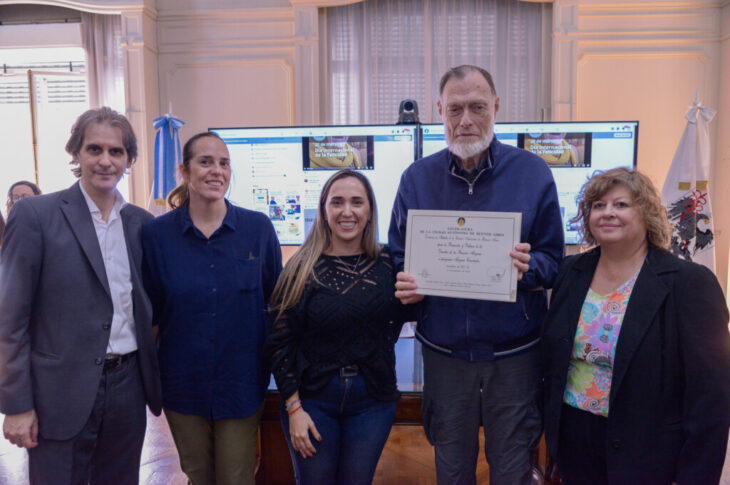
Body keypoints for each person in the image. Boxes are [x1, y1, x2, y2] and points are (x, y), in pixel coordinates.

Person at [389, 65, 564, 485]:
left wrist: (529, 268)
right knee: (451, 469)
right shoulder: (416, 179)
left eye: (477, 107)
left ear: (496, 108)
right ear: (440, 111)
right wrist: (407, 282)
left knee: (513, 470)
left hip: (515, 357)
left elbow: (553, 261)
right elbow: (398, 256)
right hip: (445, 355)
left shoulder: (533, 173)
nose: (466, 119)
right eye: (455, 109)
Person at [0, 107, 162, 484]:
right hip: (58, 391)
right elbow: (10, 319)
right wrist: (16, 404)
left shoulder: (141, 224)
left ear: (129, 159)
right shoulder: (35, 215)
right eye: (94, 149)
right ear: (77, 153)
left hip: (128, 387)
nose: (106, 161)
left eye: (116, 151)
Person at [542, 168, 730, 485]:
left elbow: (711, 397)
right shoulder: (570, 272)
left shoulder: (689, 283)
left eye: (621, 204)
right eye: (598, 205)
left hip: (648, 450)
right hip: (574, 443)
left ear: (647, 215)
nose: (607, 213)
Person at [141, 132, 282, 485]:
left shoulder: (258, 229)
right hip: (182, 386)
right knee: (198, 476)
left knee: (235, 477)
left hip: (241, 384)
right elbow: (151, 315)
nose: (217, 171)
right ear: (184, 171)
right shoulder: (156, 236)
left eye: (224, 163)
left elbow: (277, 308)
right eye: (205, 162)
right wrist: (148, 384)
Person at [265, 169, 409, 485]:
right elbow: (278, 342)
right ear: (324, 210)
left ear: (369, 210)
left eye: (357, 202)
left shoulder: (389, 262)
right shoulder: (300, 267)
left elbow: (409, 310)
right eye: (337, 202)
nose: (347, 211)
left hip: (373, 401)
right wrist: (294, 409)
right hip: (313, 401)